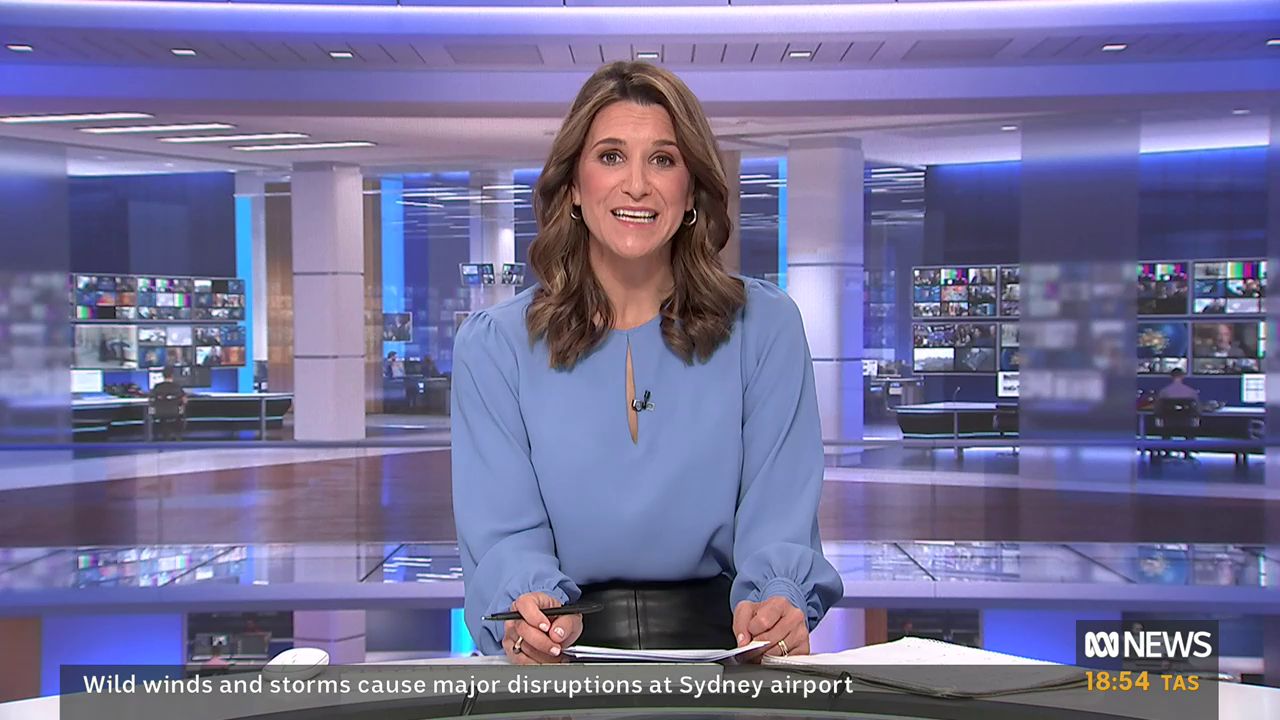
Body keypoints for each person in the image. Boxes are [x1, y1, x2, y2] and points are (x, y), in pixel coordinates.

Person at [451, 61, 841, 665]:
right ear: (573, 186)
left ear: (691, 190)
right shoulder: (494, 346)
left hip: (728, 658)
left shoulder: (765, 328)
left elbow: (779, 515)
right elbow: (503, 534)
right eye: (611, 156)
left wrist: (777, 601)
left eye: (662, 159)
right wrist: (529, 609)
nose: (636, 185)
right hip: (558, 662)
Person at [148, 367, 187, 441]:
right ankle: (178, 436)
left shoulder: (157, 387)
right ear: (172, 375)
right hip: (174, 412)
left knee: (163, 416)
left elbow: (151, 399)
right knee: (182, 413)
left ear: (163, 375)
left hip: (159, 412)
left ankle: (164, 435)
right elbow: (185, 401)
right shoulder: (177, 387)